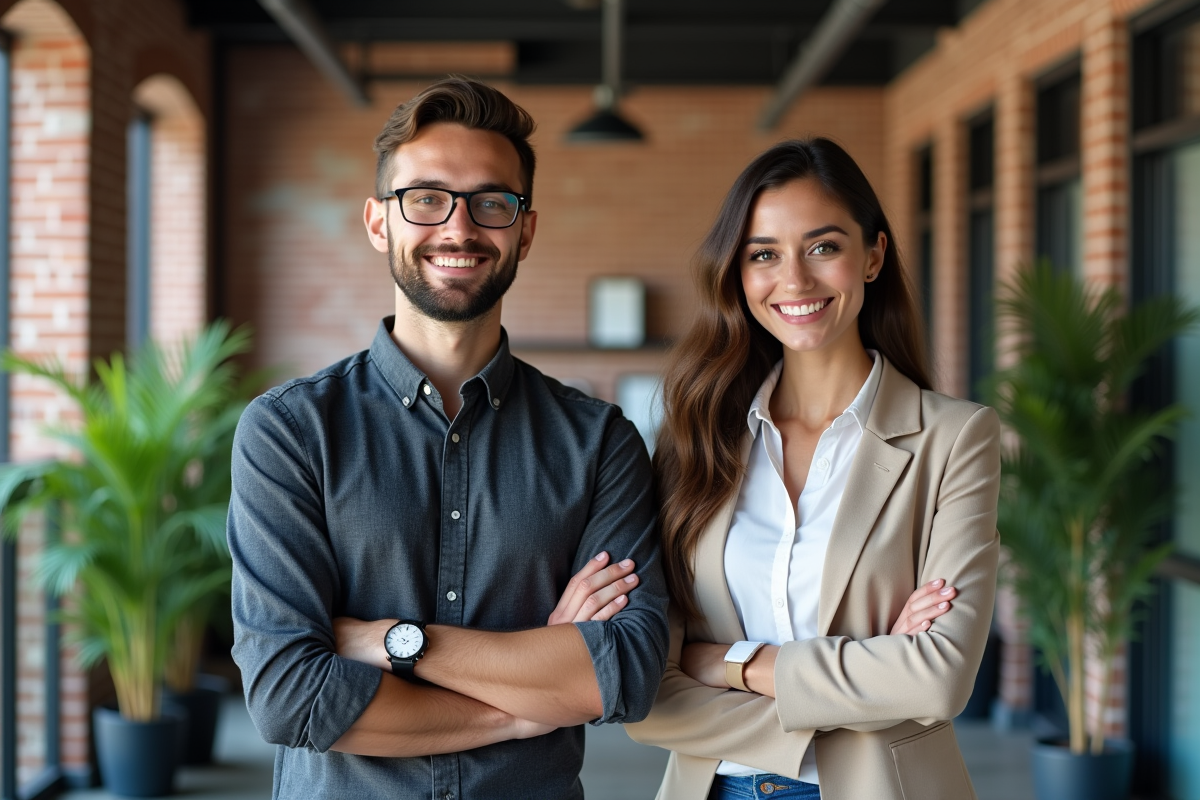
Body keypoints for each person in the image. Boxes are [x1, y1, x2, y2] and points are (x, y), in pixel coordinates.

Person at [227, 77, 670, 800]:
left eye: (491, 202)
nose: (459, 229)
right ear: (379, 222)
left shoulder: (598, 442)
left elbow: (621, 672)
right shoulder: (290, 431)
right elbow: (291, 696)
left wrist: (388, 641)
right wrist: (523, 709)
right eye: (426, 199)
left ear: (525, 229)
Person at [625, 138, 1001, 800]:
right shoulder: (694, 441)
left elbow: (938, 678)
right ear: (737, 274)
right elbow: (645, 693)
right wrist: (869, 679)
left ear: (873, 256)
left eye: (823, 247)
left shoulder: (953, 439)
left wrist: (731, 664)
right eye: (764, 254)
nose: (794, 280)